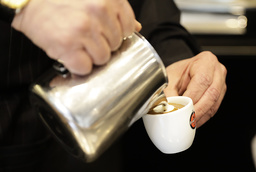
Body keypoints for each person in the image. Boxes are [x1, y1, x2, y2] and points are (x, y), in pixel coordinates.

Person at [0, 0, 227, 171]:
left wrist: (172, 59)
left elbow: (149, 7)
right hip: (13, 119)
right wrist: (26, 6)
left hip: (101, 124)